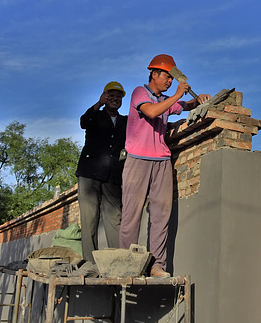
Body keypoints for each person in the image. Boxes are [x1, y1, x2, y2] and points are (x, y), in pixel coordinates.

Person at [119, 54, 210, 277]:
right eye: (167, 77)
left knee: (161, 215)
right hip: (137, 159)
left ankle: (157, 265)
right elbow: (151, 111)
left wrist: (197, 101)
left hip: (161, 161)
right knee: (132, 215)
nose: (170, 81)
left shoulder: (166, 100)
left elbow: (183, 105)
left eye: (172, 78)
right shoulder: (140, 93)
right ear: (154, 74)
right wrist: (178, 94)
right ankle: (126, 264)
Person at [76, 81, 128, 264]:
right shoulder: (95, 116)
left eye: (118, 96)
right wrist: (98, 104)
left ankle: (116, 261)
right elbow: (83, 122)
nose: (115, 99)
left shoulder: (125, 121)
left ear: (122, 99)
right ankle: (90, 262)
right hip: (89, 174)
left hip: (112, 177)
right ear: (104, 97)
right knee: (90, 219)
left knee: (115, 219)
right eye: (111, 95)